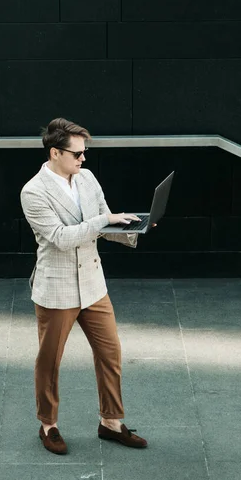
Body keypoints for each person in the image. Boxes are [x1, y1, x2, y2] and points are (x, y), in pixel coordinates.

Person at [20, 117, 148, 455]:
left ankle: (111, 422)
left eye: (84, 152)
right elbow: (63, 238)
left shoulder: (87, 178)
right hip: (57, 288)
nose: (83, 159)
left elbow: (103, 223)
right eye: (77, 153)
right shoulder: (33, 192)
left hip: (92, 283)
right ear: (55, 153)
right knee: (50, 361)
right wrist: (104, 220)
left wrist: (135, 228)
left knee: (110, 353)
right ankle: (48, 425)